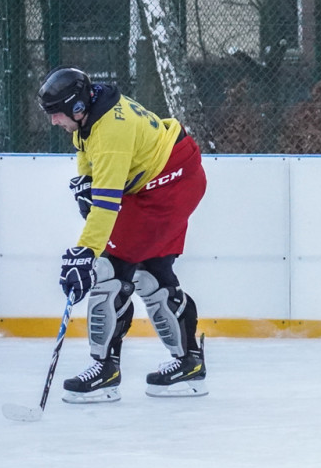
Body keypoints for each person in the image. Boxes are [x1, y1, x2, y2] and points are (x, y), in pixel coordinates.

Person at [38, 66, 209, 403]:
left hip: (168, 186)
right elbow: (88, 160)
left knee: (108, 271)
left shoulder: (109, 133)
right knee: (151, 273)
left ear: (75, 107)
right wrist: (86, 184)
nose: (53, 121)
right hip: (166, 178)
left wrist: (86, 251)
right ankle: (189, 364)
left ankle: (105, 371)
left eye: (56, 114)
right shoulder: (92, 114)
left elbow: (106, 204)